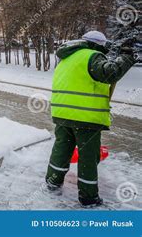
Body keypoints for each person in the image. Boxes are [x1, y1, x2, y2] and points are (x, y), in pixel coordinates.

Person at [45, 31, 136, 207]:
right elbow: (109, 73)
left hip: (62, 113)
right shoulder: (91, 55)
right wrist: (126, 58)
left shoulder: (67, 57)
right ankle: (88, 198)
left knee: (61, 150)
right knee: (88, 157)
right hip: (84, 116)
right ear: (98, 44)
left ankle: (53, 182)